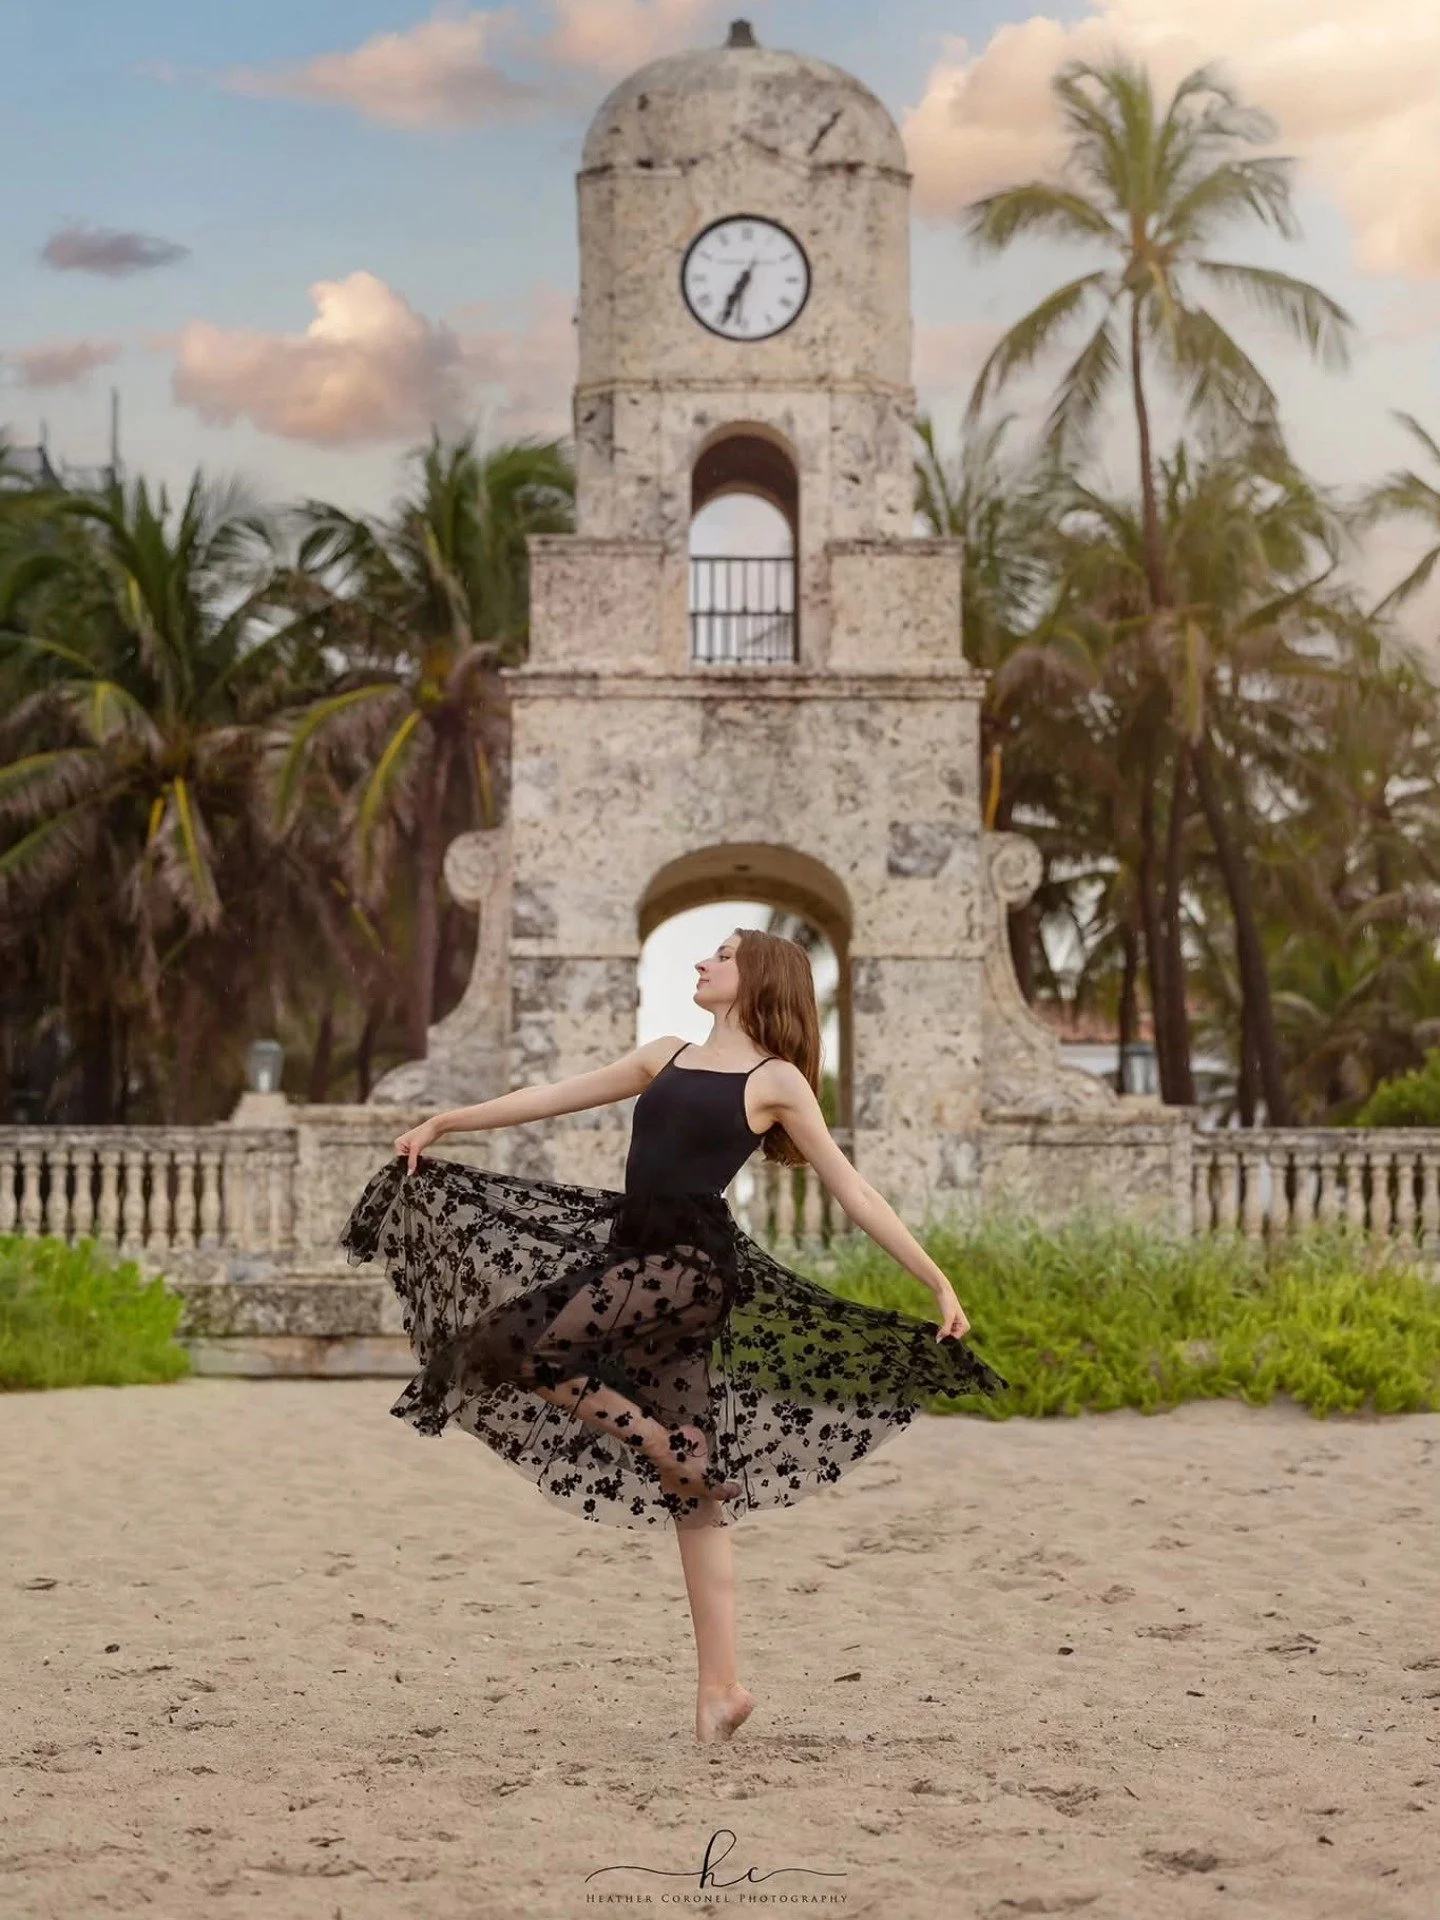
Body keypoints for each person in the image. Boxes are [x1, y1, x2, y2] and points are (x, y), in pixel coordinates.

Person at [341, 925, 1007, 1743]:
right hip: (635, 1257)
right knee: (696, 1497)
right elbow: (551, 1095)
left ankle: (660, 1441)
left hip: (689, 1269)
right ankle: (722, 1688)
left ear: (758, 975)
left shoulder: (777, 1081)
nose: (701, 962)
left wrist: (937, 1279)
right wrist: (447, 1121)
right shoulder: (664, 1054)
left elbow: (854, 1191)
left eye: (721, 955)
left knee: (522, 1349)